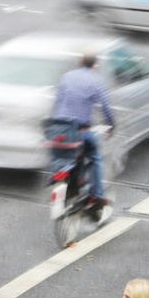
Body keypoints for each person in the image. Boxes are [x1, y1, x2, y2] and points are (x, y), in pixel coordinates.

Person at [51, 53, 115, 206]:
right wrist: (111, 124)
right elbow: (105, 106)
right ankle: (96, 196)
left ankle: (59, 175)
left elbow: (58, 101)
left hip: (60, 127)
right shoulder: (96, 80)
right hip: (81, 130)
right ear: (95, 65)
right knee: (95, 158)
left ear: (80, 63)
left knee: (60, 154)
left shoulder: (66, 76)